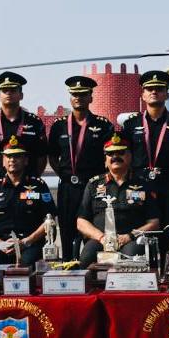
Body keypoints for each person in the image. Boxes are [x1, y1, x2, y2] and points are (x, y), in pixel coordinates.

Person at [122, 70, 169, 251]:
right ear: (143, 94)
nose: (154, 92)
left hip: (168, 187)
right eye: (149, 89)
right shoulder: (130, 124)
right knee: (138, 233)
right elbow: (124, 157)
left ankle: (167, 274)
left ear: (167, 94)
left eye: (159, 89)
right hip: (137, 188)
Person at [47, 75, 113, 260]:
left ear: (90, 98)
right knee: (67, 231)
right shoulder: (59, 126)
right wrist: (65, 175)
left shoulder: (103, 125)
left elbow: (110, 156)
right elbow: (52, 156)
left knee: (94, 231)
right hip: (68, 187)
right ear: (70, 97)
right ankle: (68, 266)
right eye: (75, 94)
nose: (79, 98)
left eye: (83, 94)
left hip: (93, 187)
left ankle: (94, 268)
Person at [75, 132, 160, 268]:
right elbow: (81, 221)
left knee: (132, 260)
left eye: (120, 152)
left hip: (131, 239)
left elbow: (154, 222)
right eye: (110, 154)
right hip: (101, 239)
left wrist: (130, 236)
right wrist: (102, 238)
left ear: (130, 156)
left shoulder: (144, 184)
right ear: (105, 160)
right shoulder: (93, 184)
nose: (115, 157)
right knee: (86, 260)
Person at [0, 135, 57, 267]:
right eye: (8, 156)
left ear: (26, 160)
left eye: (17, 156)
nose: (12, 160)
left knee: (26, 263)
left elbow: (49, 220)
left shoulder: (39, 186)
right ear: (3, 161)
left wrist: (27, 241)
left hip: (28, 244)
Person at [0, 71, 48, 181]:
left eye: (13, 90)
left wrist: (34, 178)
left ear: (21, 95)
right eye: (5, 91)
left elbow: (42, 157)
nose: (9, 93)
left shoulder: (35, 122)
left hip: (28, 184)